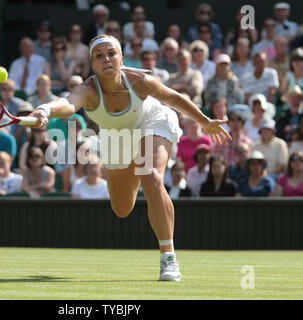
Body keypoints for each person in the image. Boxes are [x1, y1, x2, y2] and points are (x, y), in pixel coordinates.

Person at [28, 34, 231, 281]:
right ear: (92, 64)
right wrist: (45, 109)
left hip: (152, 122)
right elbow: (69, 104)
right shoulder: (88, 90)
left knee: (151, 176)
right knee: (122, 209)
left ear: (121, 58)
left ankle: (168, 258)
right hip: (116, 137)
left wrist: (204, 121)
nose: (106, 59)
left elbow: (172, 97)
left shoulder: (139, 80)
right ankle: (136, 161)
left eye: (111, 53)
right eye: (99, 56)